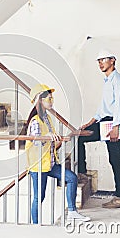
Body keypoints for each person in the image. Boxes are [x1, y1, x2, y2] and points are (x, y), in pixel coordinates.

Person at [25, 84, 90, 224]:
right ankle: (35, 225)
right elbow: (36, 141)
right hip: (38, 166)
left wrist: (56, 140)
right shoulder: (36, 120)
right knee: (39, 197)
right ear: (39, 100)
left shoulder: (46, 118)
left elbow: (49, 141)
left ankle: (72, 211)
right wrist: (47, 136)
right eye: (49, 98)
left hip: (50, 162)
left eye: (51, 98)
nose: (51, 100)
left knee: (71, 178)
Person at [78, 49, 120, 208]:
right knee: (80, 136)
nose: (100, 63)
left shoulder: (118, 81)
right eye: (98, 61)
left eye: (103, 60)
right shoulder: (107, 81)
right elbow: (103, 108)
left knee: (117, 161)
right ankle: (82, 173)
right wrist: (90, 122)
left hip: (114, 124)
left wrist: (116, 127)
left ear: (112, 60)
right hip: (105, 122)